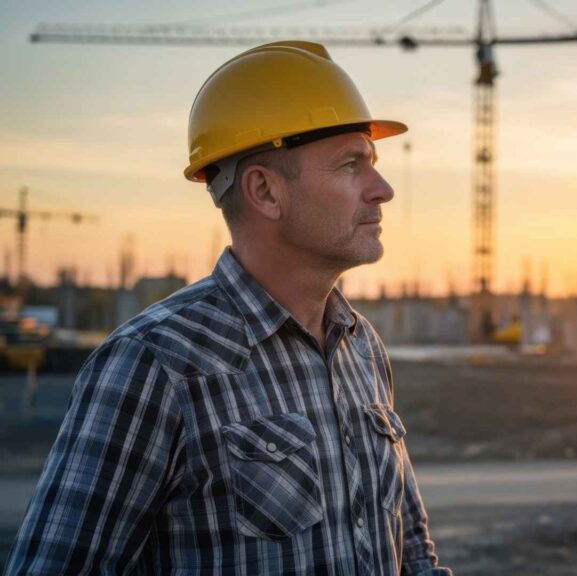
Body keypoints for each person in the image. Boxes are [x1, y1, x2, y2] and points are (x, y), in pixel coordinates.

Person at [5, 40, 451, 575]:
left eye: (372, 163)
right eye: (351, 165)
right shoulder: (154, 363)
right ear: (265, 191)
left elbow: (411, 548)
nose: (383, 190)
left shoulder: (361, 346)